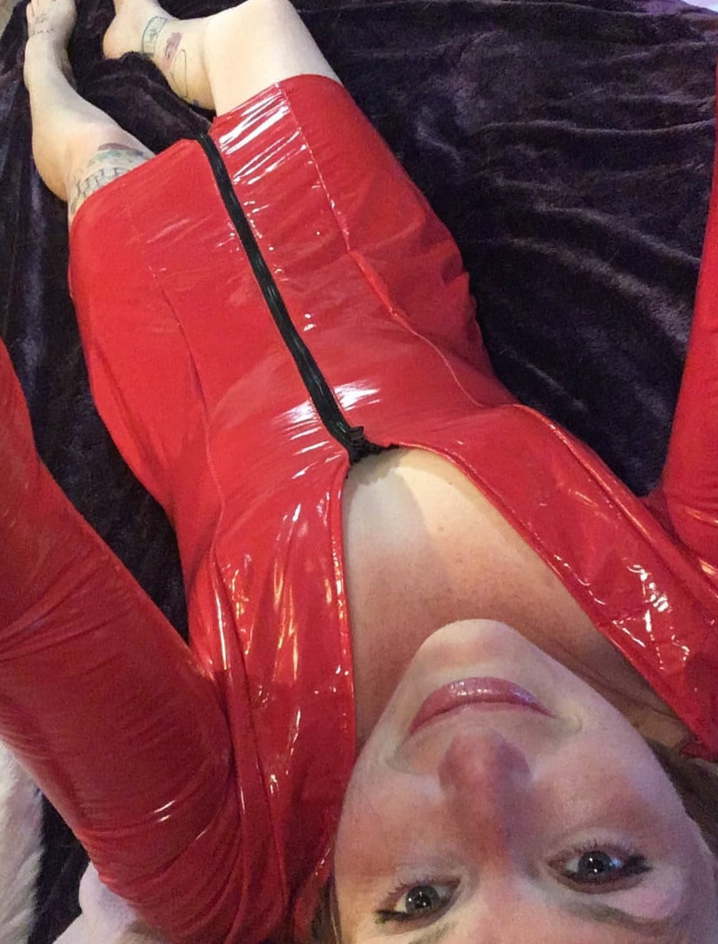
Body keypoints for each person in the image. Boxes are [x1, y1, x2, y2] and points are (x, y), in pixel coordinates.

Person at [7, 0, 718, 939]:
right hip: (365, 257)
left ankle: (40, 63)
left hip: (171, 343)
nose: (477, 763)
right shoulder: (702, 641)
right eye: (599, 864)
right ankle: (152, 39)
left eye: (420, 901)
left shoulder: (233, 873)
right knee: (256, 21)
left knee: (93, 157)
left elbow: (26, 596)